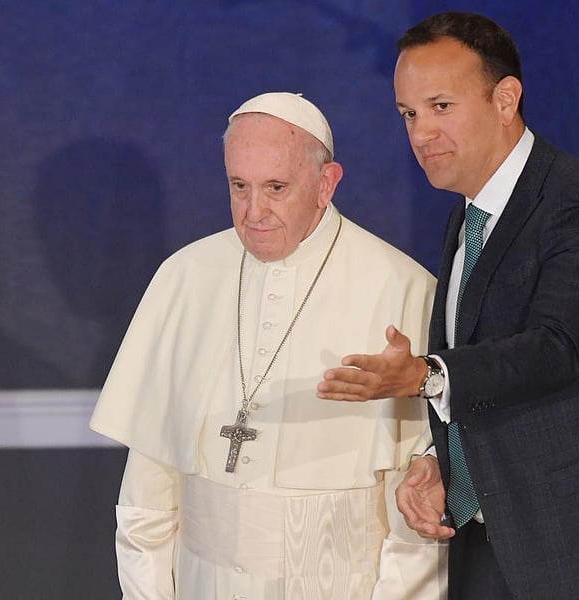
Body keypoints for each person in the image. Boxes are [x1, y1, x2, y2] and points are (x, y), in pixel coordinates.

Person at [91, 92, 445, 599]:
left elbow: (416, 513)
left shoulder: (400, 286)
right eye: (239, 186)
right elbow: (148, 493)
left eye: (276, 187)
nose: (254, 212)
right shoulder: (185, 277)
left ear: (326, 184)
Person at [317, 12, 579, 600]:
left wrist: (425, 374)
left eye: (441, 107)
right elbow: (482, 378)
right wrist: (439, 460)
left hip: (569, 548)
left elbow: (559, 347)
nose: (421, 133)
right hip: (479, 541)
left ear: (506, 99)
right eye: (409, 114)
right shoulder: (466, 215)